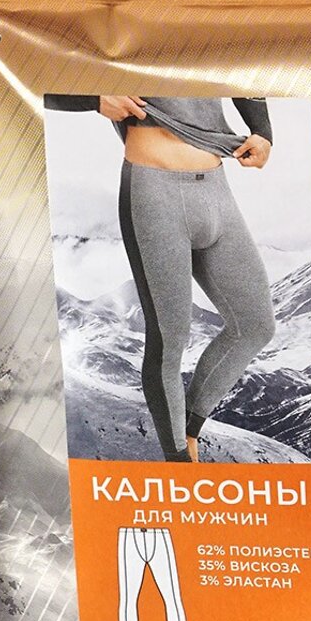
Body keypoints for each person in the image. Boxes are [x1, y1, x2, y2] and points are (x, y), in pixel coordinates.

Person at [45, 94, 275, 462]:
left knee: (255, 325)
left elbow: (242, 73)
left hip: (217, 187)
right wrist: (94, 98)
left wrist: (262, 131)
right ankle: (179, 461)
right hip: (153, 190)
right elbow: (31, 74)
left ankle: (188, 429)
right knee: (170, 340)